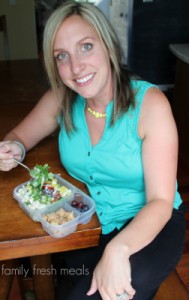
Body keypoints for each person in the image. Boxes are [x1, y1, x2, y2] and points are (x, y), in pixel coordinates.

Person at [0, 1, 186, 299]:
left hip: (152, 225)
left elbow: (161, 201)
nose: (75, 67)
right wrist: (14, 148)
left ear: (109, 45)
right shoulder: (61, 99)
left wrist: (119, 248)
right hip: (89, 224)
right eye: (62, 56)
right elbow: (20, 136)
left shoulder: (151, 105)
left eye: (86, 47)